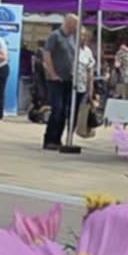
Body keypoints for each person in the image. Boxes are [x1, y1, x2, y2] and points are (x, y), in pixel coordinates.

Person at [42, 13, 79, 152]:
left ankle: (58, 139)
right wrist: (52, 74)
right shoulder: (55, 36)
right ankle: (49, 139)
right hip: (56, 79)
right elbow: (47, 54)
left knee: (64, 111)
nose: (76, 28)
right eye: (75, 25)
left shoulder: (72, 38)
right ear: (69, 23)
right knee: (57, 109)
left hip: (68, 79)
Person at [75, 32, 98, 139]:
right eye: (81, 35)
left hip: (84, 85)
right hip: (72, 84)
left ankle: (80, 129)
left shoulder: (88, 51)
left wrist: (91, 88)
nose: (83, 38)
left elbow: (90, 70)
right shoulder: (73, 48)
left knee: (83, 109)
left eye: (85, 36)